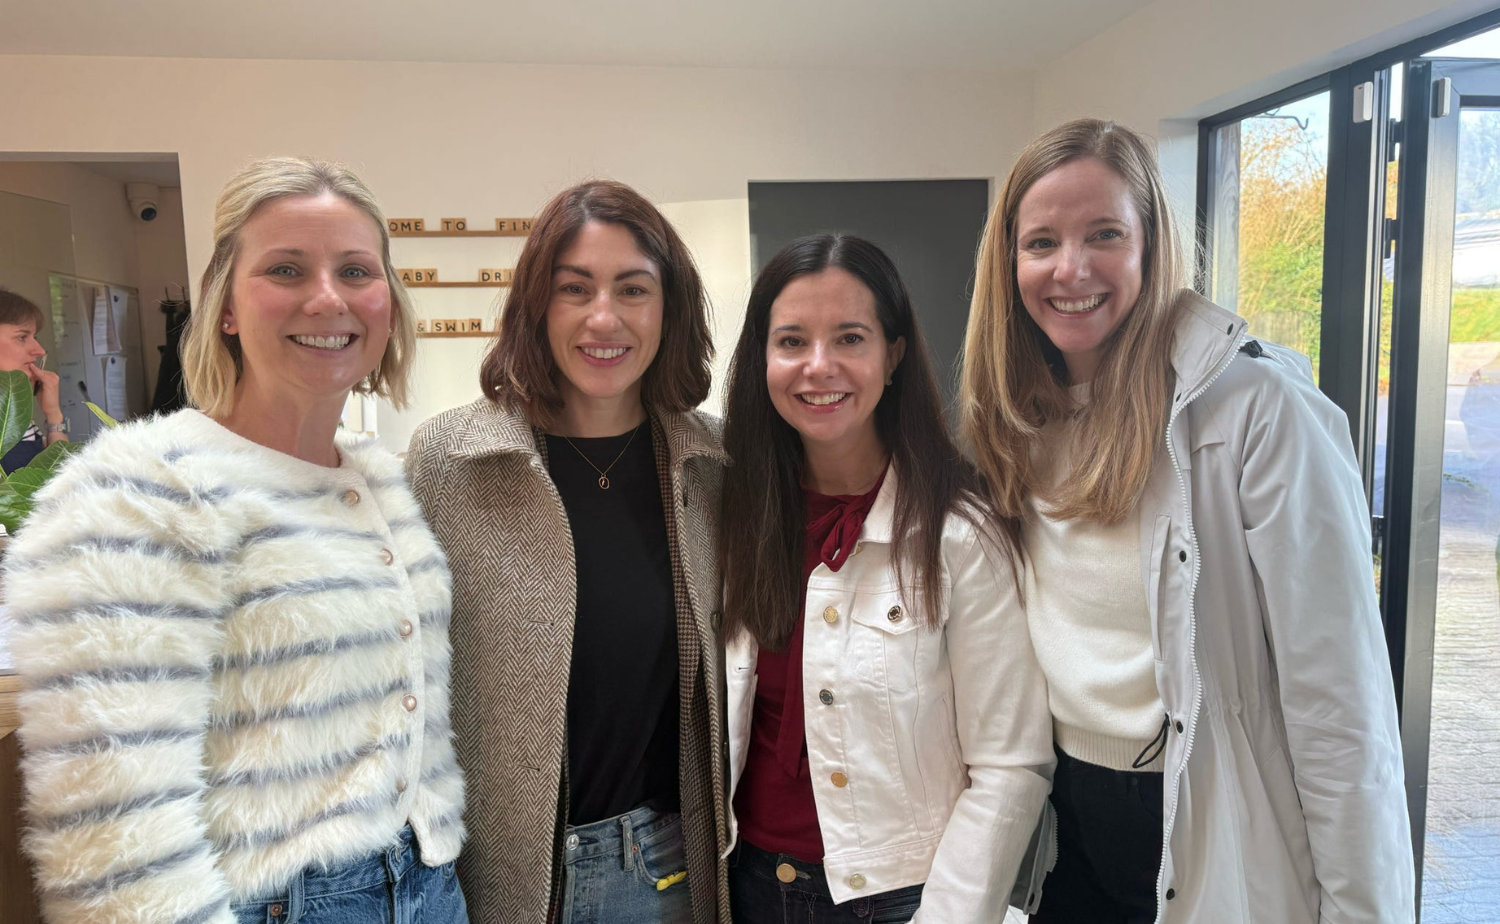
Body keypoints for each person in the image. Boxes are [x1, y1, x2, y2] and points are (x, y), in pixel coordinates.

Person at [960, 118, 1413, 923]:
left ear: (1150, 245)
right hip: (1064, 826)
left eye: (1104, 234)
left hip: (1204, 814)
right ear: (1008, 263)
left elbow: (1341, 712)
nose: (1071, 268)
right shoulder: (1012, 424)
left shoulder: (1256, 415)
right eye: (1041, 243)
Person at [5, 156, 467, 924]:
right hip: (276, 902)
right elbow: (110, 830)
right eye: (286, 269)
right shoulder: (141, 489)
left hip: (427, 882)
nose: (328, 298)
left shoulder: (381, 481)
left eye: (357, 270)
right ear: (224, 306)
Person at [406, 180, 728, 924]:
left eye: (633, 289)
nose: (604, 317)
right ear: (535, 307)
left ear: (668, 307)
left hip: (666, 872)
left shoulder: (711, 462)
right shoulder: (452, 459)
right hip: (499, 874)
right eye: (573, 289)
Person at [718, 233, 1053, 924]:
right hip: (748, 887)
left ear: (893, 354)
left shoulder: (962, 534)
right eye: (791, 342)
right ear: (761, 358)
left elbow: (1011, 766)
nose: (819, 366)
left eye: (850, 338)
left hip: (906, 898)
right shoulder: (731, 519)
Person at [0, 287, 67, 470]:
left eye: (34, 337)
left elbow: (61, 475)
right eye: (22, 337)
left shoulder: (13, 415)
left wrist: (53, 414)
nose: (39, 350)